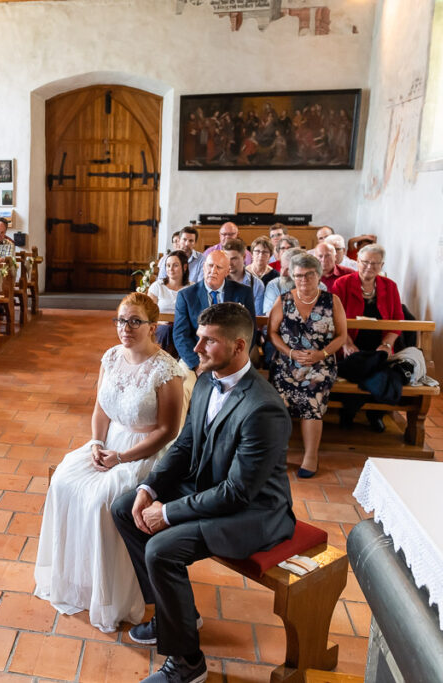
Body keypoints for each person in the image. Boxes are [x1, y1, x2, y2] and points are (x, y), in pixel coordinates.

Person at [111, 303, 295, 683]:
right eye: (198, 337)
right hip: (209, 487)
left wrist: (170, 512)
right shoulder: (208, 379)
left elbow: (238, 493)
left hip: (252, 512)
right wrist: (149, 487)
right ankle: (174, 615)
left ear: (239, 346)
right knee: (123, 507)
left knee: (162, 550)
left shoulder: (264, 409)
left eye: (208, 341)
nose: (195, 348)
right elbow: (183, 445)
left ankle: (187, 664)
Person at [34, 293, 184, 633]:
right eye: (120, 320)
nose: (125, 328)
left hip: (144, 450)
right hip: (108, 442)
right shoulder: (111, 357)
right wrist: (98, 443)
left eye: (134, 321)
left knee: (102, 500)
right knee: (63, 482)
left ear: (153, 327)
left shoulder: (166, 370)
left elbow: (167, 430)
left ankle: (113, 590)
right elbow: (101, 408)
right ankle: (80, 579)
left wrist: (122, 457)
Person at [267, 252, 348, 478]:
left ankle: (311, 456)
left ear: (318, 275)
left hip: (320, 364)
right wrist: (290, 352)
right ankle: (277, 456)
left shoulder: (332, 301)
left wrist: (321, 354)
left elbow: (341, 336)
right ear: (293, 275)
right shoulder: (284, 300)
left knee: (313, 395)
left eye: (309, 275)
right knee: (278, 401)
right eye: (299, 275)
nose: (303, 280)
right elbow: (272, 333)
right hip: (287, 362)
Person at [333, 243, 404, 432]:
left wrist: (387, 345)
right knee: (360, 365)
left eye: (375, 264)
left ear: (382, 265)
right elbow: (335, 317)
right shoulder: (343, 283)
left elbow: (398, 320)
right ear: (357, 262)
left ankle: (375, 414)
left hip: (378, 347)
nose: (369, 267)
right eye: (365, 262)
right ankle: (349, 411)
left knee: (379, 367)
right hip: (349, 343)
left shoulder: (390, 286)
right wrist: (346, 344)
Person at [174, 251, 256, 413]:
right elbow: (180, 335)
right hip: (195, 357)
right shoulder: (186, 295)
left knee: (244, 392)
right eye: (210, 266)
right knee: (182, 387)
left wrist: (232, 359)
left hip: (231, 357)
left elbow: (249, 331)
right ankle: (180, 436)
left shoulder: (243, 293)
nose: (213, 270)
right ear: (203, 267)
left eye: (219, 267)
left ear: (227, 272)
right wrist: (198, 365)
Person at [147, 249, 190, 358]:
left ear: (184, 267)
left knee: (182, 332)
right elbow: (148, 314)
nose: (170, 269)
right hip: (162, 326)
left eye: (175, 265)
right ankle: (162, 361)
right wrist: (162, 322)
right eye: (168, 265)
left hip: (183, 327)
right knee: (167, 330)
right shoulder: (157, 286)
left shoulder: (192, 288)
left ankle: (185, 365)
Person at [223, 238, 266, 316]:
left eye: (234, 259)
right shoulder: (219, 281)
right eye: (227, 259)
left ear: (244, 257)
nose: (230, 263)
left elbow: (258, 317)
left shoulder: (256, 284)